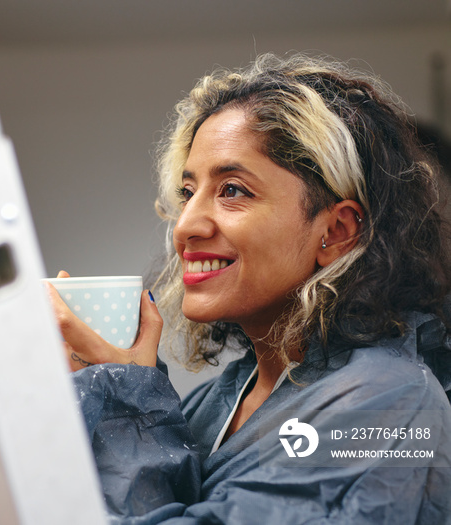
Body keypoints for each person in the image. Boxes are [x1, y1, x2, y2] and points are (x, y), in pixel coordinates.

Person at [46, 53, 451, 524]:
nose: (186, 226)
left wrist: (128, 408)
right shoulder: (216, 401)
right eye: (187, 192)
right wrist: (98, 392)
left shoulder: (392, 403)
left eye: (233, 190)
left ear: (337, 231)